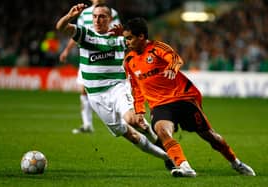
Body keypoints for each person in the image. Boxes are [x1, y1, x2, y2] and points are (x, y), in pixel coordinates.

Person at [123, 17, 256, 177]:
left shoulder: (156, 48)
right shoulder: (129, 61)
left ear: (141, 36)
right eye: (125, 39)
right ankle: (185, 167)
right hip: (159, 105)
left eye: (129, 38)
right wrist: (139, 111)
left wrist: (172, 68)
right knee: (161, 131)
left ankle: (235, 162)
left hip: (182, 99)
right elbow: (136, 88)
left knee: (210, 137)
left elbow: (175, 58)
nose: (127, 42)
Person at [56, 3, 175, 172]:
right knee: (132, 136)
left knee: (134, 120)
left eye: (102, 16)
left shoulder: (121, 39)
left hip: (118, 87)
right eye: (95, 16)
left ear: (110, 19)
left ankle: (167, 150)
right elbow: (61, 27)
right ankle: (167, 157)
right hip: (96, 97)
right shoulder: (85, 34)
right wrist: (69, 16)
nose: (97, 20)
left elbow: (145, 45)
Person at [59, 0, 121, 134]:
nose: (97, 20)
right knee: (83, 90)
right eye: (95, 17)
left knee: (112, 87)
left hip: (106, 53)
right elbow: (74, 33)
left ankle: (122, 116)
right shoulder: (84, 13)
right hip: (88, 54)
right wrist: (66, 50)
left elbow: (118, 32)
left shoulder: (112, 13)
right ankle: (87, 124)